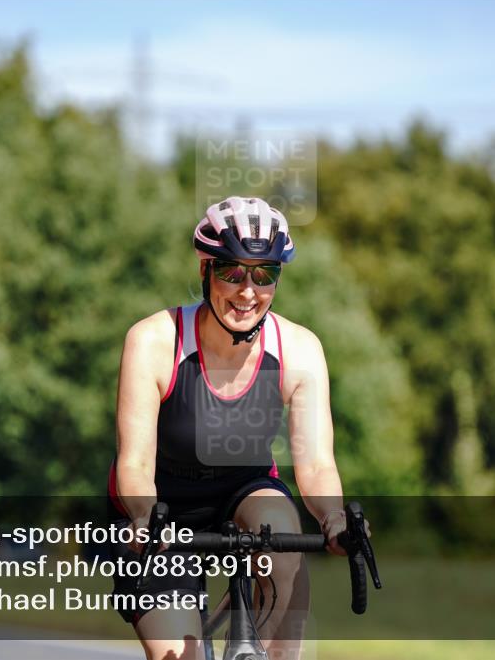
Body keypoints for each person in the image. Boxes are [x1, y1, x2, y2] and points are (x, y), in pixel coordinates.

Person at [107, 196, 350, 660]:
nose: (247, 291)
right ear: (205, 270)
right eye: (231, 272)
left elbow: (317, 464)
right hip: (160, 510)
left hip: (244, 490)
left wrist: (334, 519)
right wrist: (143, 518)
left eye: (264, 275)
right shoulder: (154, 340)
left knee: (281, 528)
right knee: (181, 656)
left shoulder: (299, 348)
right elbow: (134, 463)